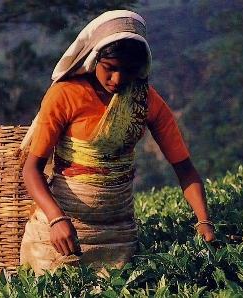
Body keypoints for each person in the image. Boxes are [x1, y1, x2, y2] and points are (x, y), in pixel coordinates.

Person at [19, 9, 215, 276]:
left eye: (129, 71)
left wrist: (204, 221)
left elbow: (185, 170)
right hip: (63, 232)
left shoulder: (146, 101)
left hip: (119, 235)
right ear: (94, 59)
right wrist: (56, 218)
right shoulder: (66, 95)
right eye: (110, 69)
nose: (118, 79)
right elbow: (32, 170)